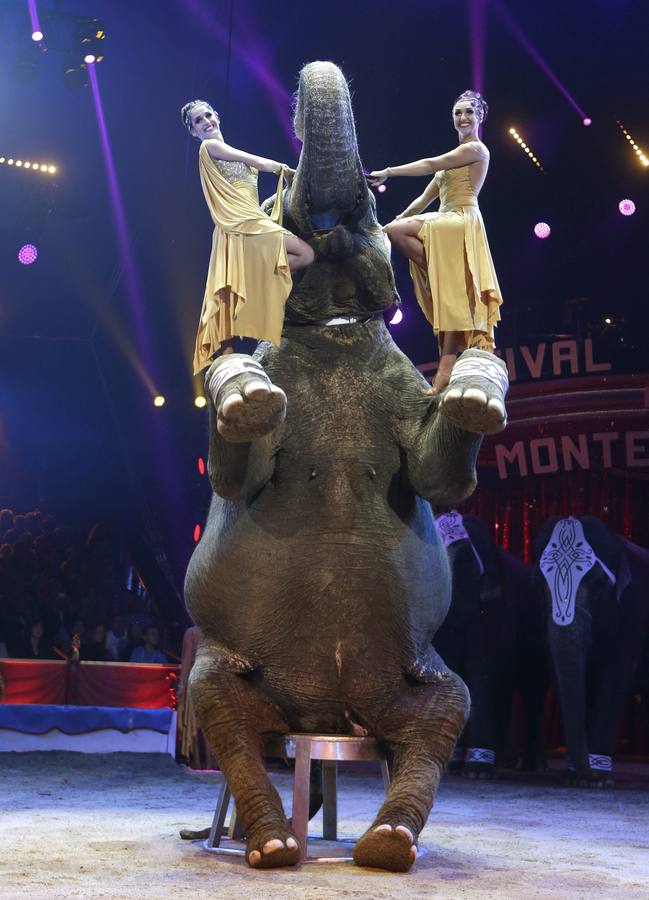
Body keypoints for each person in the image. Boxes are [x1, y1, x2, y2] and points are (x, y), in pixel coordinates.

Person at [370, 91, 504, 399]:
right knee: (398, 232)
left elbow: (431, 163)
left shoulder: (476, 150)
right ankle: (444, 372)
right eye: (457, 113)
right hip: (444, 222)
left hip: (461, 221)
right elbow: (422, 200)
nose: (463, 118)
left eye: (469, 112)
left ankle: (441, 275)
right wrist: (389, 222)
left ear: (479, 116)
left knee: (401, 232)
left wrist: (390, 172)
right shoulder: (451, 161)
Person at [181, 100, 314, 379]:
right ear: (193, 132)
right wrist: (284, 169)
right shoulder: (209, 147)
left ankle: (253, 288)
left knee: (231, 290)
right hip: (241, 222)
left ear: (217, 115)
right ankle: (229, 365)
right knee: (305, 254)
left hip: (247, 219)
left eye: (208, 114)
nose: (206, 121)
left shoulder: (223, 149)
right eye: (198, 121)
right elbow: (258, 162)